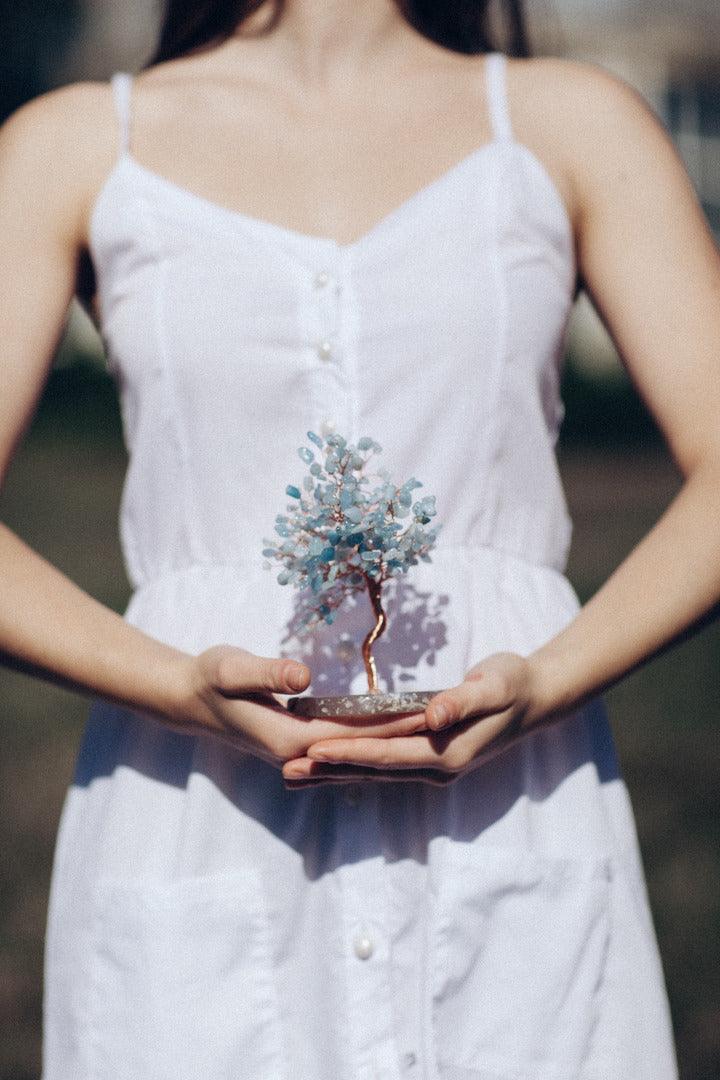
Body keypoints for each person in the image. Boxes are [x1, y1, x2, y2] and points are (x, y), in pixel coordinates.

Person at [3, 0, 718, 1075]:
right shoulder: (79, 143)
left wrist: (549, 681)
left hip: (515, 814)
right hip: (196, 820)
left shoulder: (571, 126)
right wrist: (172, 684)